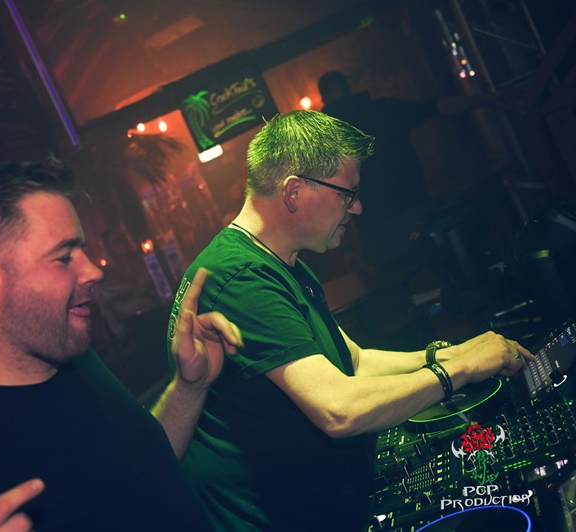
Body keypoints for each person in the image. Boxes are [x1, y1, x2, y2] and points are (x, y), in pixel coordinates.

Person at [167, 110, 533, 531]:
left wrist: (450, 353)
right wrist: (459, 371)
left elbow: (354, 360)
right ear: (294, 192)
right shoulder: (241, 278)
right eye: (348, 193)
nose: (357, 207)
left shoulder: (279, 263)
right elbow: (338, 410)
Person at [0, 157, 243, 531]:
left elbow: (144, 471)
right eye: (63, 257)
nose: (94, 271)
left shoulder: (77, 360)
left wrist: (190, 387)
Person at [317, 70, 493, 264]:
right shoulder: (385, 111)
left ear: (324, 99)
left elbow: (329, 198)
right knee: (444, 271)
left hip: (378, 235)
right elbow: (443, 107)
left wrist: (347, 248)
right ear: (348, 88)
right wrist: (491, 99)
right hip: (419, 217)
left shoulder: (325, 141)